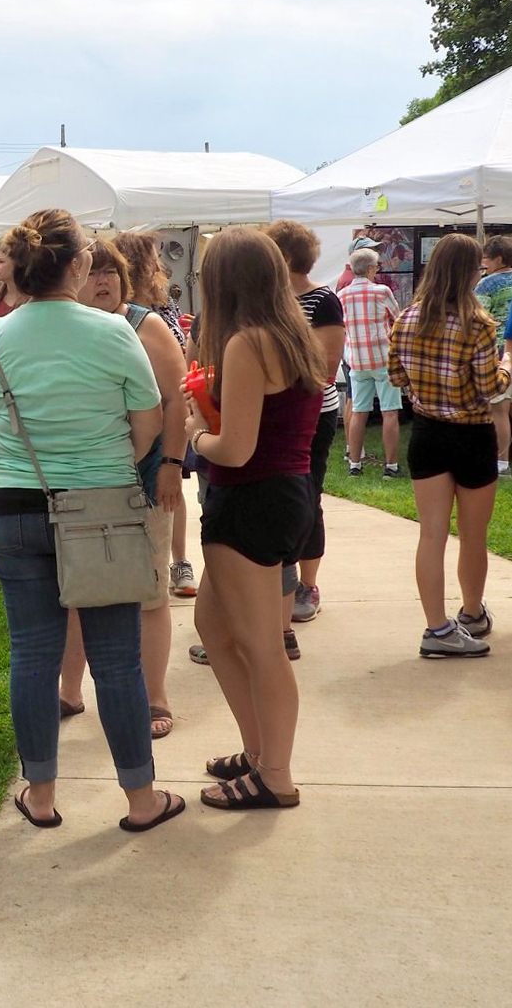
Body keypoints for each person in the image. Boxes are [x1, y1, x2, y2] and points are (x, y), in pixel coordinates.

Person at [0, 209, 181, 832]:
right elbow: (146, 427)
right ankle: (141, 800)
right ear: (80, 264)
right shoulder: (115, 334)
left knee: (32, 654)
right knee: (118, 660)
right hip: (103, 507)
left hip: (13, 504)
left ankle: (40, 795)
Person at [186, 228, 327, 811]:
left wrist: (196, 428)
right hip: (286, 494)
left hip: (249, 499)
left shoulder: (247, 343)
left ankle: (276, 774)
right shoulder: (297, 336)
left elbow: (235, 448)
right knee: (215, 627)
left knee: (262, 644)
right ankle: (260, 750)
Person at [58, 240, 186, 740]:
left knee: (151, 595)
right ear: (76, 277)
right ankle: (70, 690)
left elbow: (176, 402)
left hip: (146, 482)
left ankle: (156, 697)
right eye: (94, 272)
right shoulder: (66, 325)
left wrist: (172, 464)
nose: (103, 281)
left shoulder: (144, 325)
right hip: (82, 483)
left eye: (111, 271)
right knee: (77, 592)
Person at [388, 233, 511, 658]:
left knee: (432, 535)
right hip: (472, 435)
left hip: (426, 432)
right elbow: (490, 388)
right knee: (472, 536)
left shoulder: (407, 318)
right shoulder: (477, 324)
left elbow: (397, 377)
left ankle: (436, 628)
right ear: (469, 272)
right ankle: (472, 614)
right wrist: (508, 367)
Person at [265, 221, 347, 629]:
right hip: (273, 417)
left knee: (307, 495)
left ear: (283, 257)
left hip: (313, 415)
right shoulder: (267, 301)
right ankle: (282, 581)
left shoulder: (322, 300)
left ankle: (307, 585)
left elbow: (327, 367)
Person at [112, 231, 195, 600]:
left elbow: (175, 380)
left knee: (167, 498)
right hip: (130, 438)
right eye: (155, 257)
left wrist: (172, 461)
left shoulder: (157, 312)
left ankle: (179, 562)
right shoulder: (116, 314)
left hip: (162, 434)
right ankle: (176, 563)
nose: (161, 265)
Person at [338, 248, 403, 478]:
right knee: (389, 412)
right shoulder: (381, 291)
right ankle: (391, 467)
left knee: (359, 412)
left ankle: (354, 464)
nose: (377, 270)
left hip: (357, 359)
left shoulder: (342, 295)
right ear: (369, 269)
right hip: (382, 359)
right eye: (376, 266)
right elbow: (399, 319)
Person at [476, 236, 512, 475]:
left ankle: (501, 462)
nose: (483, 264)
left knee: (499, 410)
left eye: (486, 260)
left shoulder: (486, 285)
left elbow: (478, 319)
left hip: (499, 353)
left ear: (498, 259)